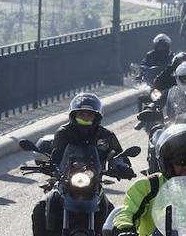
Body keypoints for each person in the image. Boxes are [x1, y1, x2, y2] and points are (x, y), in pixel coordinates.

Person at [32, 93, 133, 236]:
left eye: (89, 115)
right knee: (41, 208)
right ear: (73, 115)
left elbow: (116, 154)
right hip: (65, 182)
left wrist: (122, 166)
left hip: (94, 184)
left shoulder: (105, 135)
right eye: (81, 114)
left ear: (97, 117)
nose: (85, 118)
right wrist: (48, 164)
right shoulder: (63, 133)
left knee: (113, 215)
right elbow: (56, 154)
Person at [113, 124, 186, 236]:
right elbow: (127, 213)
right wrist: (125, 229)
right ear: (167, 162)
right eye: (180, 160)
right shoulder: (148, 186)